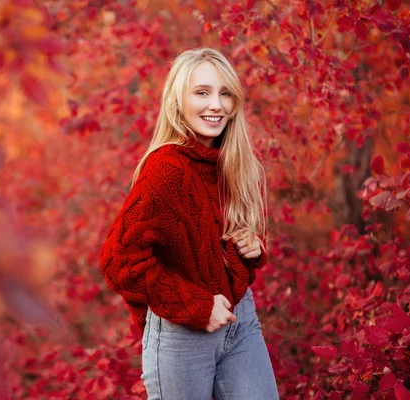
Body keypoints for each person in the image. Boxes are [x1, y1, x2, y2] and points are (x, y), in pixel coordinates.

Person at [99, 48, 278, 400]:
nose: (216, 105)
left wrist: (251, 245)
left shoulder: (232, 163)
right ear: (178, 101)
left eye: (224, 93)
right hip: (182, 333)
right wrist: (196, 305)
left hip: (240, 323)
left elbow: (204, 241)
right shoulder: (165, 169)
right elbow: (118, 262)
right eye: (202, 93)